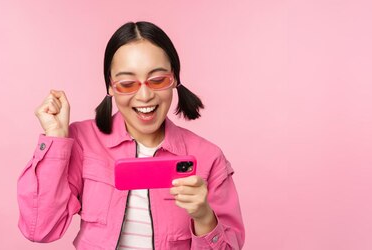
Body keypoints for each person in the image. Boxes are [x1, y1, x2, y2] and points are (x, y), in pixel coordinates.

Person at [17, 21, 244, 249]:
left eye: (157, 80)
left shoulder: (208, 157)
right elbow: (40, 229)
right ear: (110, 86)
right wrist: (55, 139)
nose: (145, 95)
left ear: (174, 79)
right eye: (127, 84)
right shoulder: (82, 142)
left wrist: (204, 217)